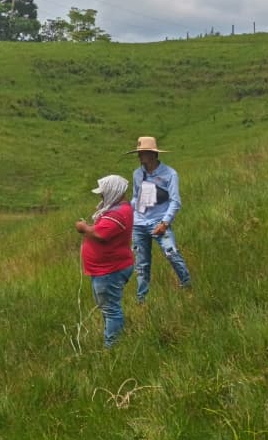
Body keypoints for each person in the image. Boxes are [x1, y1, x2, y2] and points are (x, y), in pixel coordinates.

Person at [129, 135, 192, 302]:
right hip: (139, 222)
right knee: (141, 263)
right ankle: (141, 298)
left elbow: (175, 201)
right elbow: (135, 196)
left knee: (171, 252)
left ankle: (186, 284)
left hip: (159, 221)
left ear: (152, 154)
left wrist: (165, 222)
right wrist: (129, 210)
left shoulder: (170, 174)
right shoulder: (137, 174)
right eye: (139, 153)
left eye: (142, 153)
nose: (139, 156)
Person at [75, 175, 135, 348]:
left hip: (110, 270)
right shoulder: (118, 209)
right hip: (105, 269)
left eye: (103, 193)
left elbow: (100, 234)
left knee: (111, 310)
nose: (101, 197)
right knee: (108, 308)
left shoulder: (118, 213)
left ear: (113, 191)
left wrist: (83, 228)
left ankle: (112, 349)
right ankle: (112, 342)